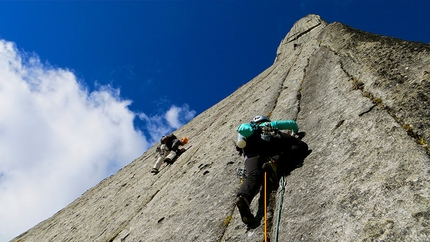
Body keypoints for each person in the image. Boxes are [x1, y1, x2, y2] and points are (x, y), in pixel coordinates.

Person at [235, 115, 312, 225]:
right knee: (301, 145)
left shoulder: (247, 135)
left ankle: (244, 197)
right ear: (265, 121)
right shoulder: (268, 125)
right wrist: (294, 133)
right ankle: (274, 163)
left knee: (254, 175)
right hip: (270, 144)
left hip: (251, 153)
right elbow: (292, 124)